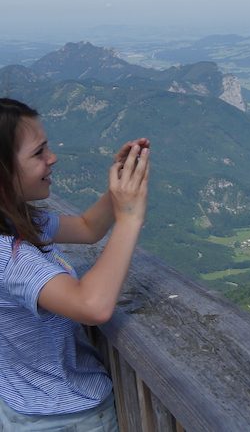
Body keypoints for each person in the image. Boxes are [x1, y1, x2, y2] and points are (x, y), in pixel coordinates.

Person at [0, 98, 150, 431]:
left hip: (32, 407)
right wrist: (129, 218)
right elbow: (92, 306)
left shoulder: (19, 222)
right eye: (39, 153)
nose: (52, 158)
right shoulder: (8, 256)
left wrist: (119, 187)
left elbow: (87, 227)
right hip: (65, 417)